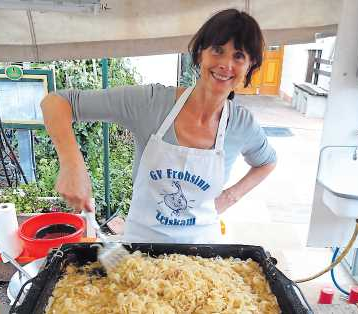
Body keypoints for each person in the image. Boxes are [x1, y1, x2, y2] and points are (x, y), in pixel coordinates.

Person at [40, 9, 276, 243]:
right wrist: (72, 165)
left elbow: (267, 162)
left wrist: (230, 197)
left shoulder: (242, 124)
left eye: (238, 56)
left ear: (250, 66)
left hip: (202, 254)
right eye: (217, 50)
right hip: (141, 250)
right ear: (200, 54)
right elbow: (57, 102)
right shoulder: (150, 103)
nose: (226, 64)